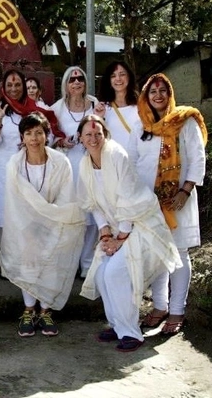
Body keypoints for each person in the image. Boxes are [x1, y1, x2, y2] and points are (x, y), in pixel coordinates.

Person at [77, 114, 181, 352]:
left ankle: (132, 333)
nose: (94, 139)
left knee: (115, 273)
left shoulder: (116, 155)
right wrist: (105, 234)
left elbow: (128, 201)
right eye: (88, 135)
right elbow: (92, 203)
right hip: (115, 230)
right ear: (80, 139)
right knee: (102, 274)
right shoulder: (84, 164)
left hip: (141, 225)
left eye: (98, 134)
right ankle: (117, 325)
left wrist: (119, 239)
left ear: (106, 135)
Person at [127, 73, 207, 335]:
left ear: (170, 94)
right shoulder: (141, 127)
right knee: (157, 255)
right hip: (149, 203)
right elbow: (131, 163)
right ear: (146, 97)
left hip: (177, 200)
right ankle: (159, 306)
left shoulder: (185, 121)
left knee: (179, 254)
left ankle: (177, 311)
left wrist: (186, 189)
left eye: (163, 90)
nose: (158, 95)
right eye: (153, 92)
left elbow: (197, 158)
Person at [0, 112, 85, 337]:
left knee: (52, 262)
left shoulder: (60, 162)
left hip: (55, 221)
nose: (34, 138)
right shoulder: (14, 164)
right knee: (28, 259)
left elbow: (66, 197)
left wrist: (48, 222)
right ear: (22, 137)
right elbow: (15, 202)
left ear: (46, 135)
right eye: (29, 133)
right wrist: (31, 229)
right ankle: (28, 310)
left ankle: (45, 311)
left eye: (39, 133)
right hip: (23, 223)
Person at [0, 69, 64, 251]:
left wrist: (32, 144)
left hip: (30, 167)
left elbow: (49, 136)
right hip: (3, 169)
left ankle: (29, 256)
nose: (14, 89)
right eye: (9, 85)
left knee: (29, 210)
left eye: (18, 84)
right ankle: (6, 257)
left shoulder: (35, 109)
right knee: (6, 211)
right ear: (3, 87)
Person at [51, 66, 99, 277]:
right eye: (72, 79)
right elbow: (51, 137)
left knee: (93, 217)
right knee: (72, 216)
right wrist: (63, 141)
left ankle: (87, 264)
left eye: (80, 78)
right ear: (66, 85)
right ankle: (70, 264)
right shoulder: (57, 108)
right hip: (69, 167)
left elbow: (105, 129)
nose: (77, 82)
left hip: (93, 165)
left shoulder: (95, 104)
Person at [94, 61, 141, 149]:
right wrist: (99, 118)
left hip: (136, 159)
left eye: (122, 74)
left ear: (129, 77)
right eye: (113, 76)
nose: (118, 78)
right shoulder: (103, 108)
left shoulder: (141, 105)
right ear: (109, 80)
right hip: (112, 159)